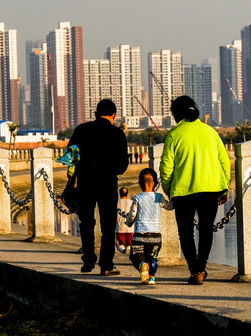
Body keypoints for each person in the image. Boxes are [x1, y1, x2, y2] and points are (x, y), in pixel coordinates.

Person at [160, 96, 231, 285]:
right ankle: (202, 266)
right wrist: (224, 188)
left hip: (183, 192)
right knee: (206, 229)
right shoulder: (210, 132)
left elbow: (166, 168)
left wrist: (169, 190)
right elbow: (224, 162)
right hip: (211, 189)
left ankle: (195, 270)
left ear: (176, 114)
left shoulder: (174, 135)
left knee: (185, 232)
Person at [67, 99, 129, 276]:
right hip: (107, 185)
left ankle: (88, 259)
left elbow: (69, 157)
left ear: (95, 114)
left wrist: (81, 168)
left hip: (85, 184)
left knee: (86, 223)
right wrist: (110, 169)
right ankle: (106, 264)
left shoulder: (81, 130)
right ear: (114, 115)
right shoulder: (117, 134)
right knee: (108, 226)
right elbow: (123, 166)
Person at [124, 168, 173, 285]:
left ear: (140, 184)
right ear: (156, 184)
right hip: (156, 236)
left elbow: (132, 215)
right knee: (153, 258)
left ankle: (142, 265)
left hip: (140, 235)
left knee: (135, 255)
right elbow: (170, 206)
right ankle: (151, 277)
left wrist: (128, 223)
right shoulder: (159, 197)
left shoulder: (137, 198)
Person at [116, 187, 134, 254]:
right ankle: (128, 249)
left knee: (119, 244)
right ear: (127, 193)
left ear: (119, 193)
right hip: (130, 228)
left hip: (120, 228)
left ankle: (124, 251)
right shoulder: (132, 202)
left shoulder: (117, 202)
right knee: (130, 243)